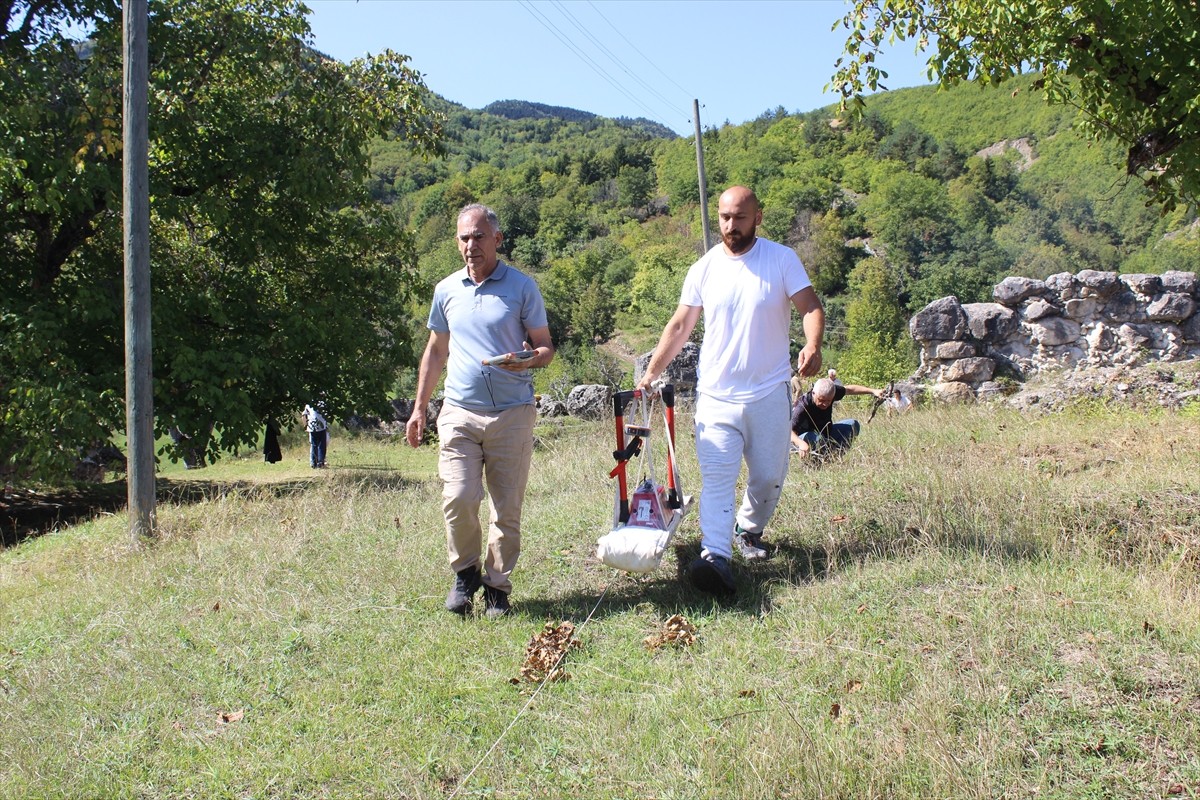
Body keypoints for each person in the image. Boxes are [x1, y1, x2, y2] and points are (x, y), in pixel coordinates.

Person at [636, 186, 825, 595]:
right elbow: (680, 325)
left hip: (768, 393)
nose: (729, 226)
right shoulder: (704, 268)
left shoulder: (780, 260)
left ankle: (749, 529)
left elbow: (810, 307)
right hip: (716, 398)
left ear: (757, 217)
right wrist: (652, 372)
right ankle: (716, 557)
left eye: (739, 217)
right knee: (717, 480)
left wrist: (812, 345)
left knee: (769, 477)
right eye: (723, 217)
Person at [406, 203, 555, 619]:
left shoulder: (522, 287)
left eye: (478, 236)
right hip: (458, 411)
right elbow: (436, 351)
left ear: (497, 240)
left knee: (506, 509)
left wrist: (528, 360)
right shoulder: (446, 290)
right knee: (457, 497)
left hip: (512, 413)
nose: (471, 245)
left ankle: (497, 588)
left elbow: (545, 347)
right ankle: (465, 573)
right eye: (464, 237)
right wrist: (420, 408)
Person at [791, 370, 884, 458]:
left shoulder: (832, 391)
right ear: (813, 393)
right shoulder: (802, 406)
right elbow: (789, 431)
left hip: (826, 434)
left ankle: (834, 457)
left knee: (853, 425)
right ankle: (816, 461)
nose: (825, 404)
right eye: (821, 400)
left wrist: (873, 391)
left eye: (829, 400)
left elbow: (849, 390)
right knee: (818, 438)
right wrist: (801, 444)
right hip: (803, 439)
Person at [302, 404, 328, 468]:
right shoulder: (322, 403)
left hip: (312, 427)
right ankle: (320, 462)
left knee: (314, 445)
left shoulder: (308, 404)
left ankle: (314, 463)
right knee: (322, 445)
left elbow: (303, 415)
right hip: (321, 427)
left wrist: (305, 426)